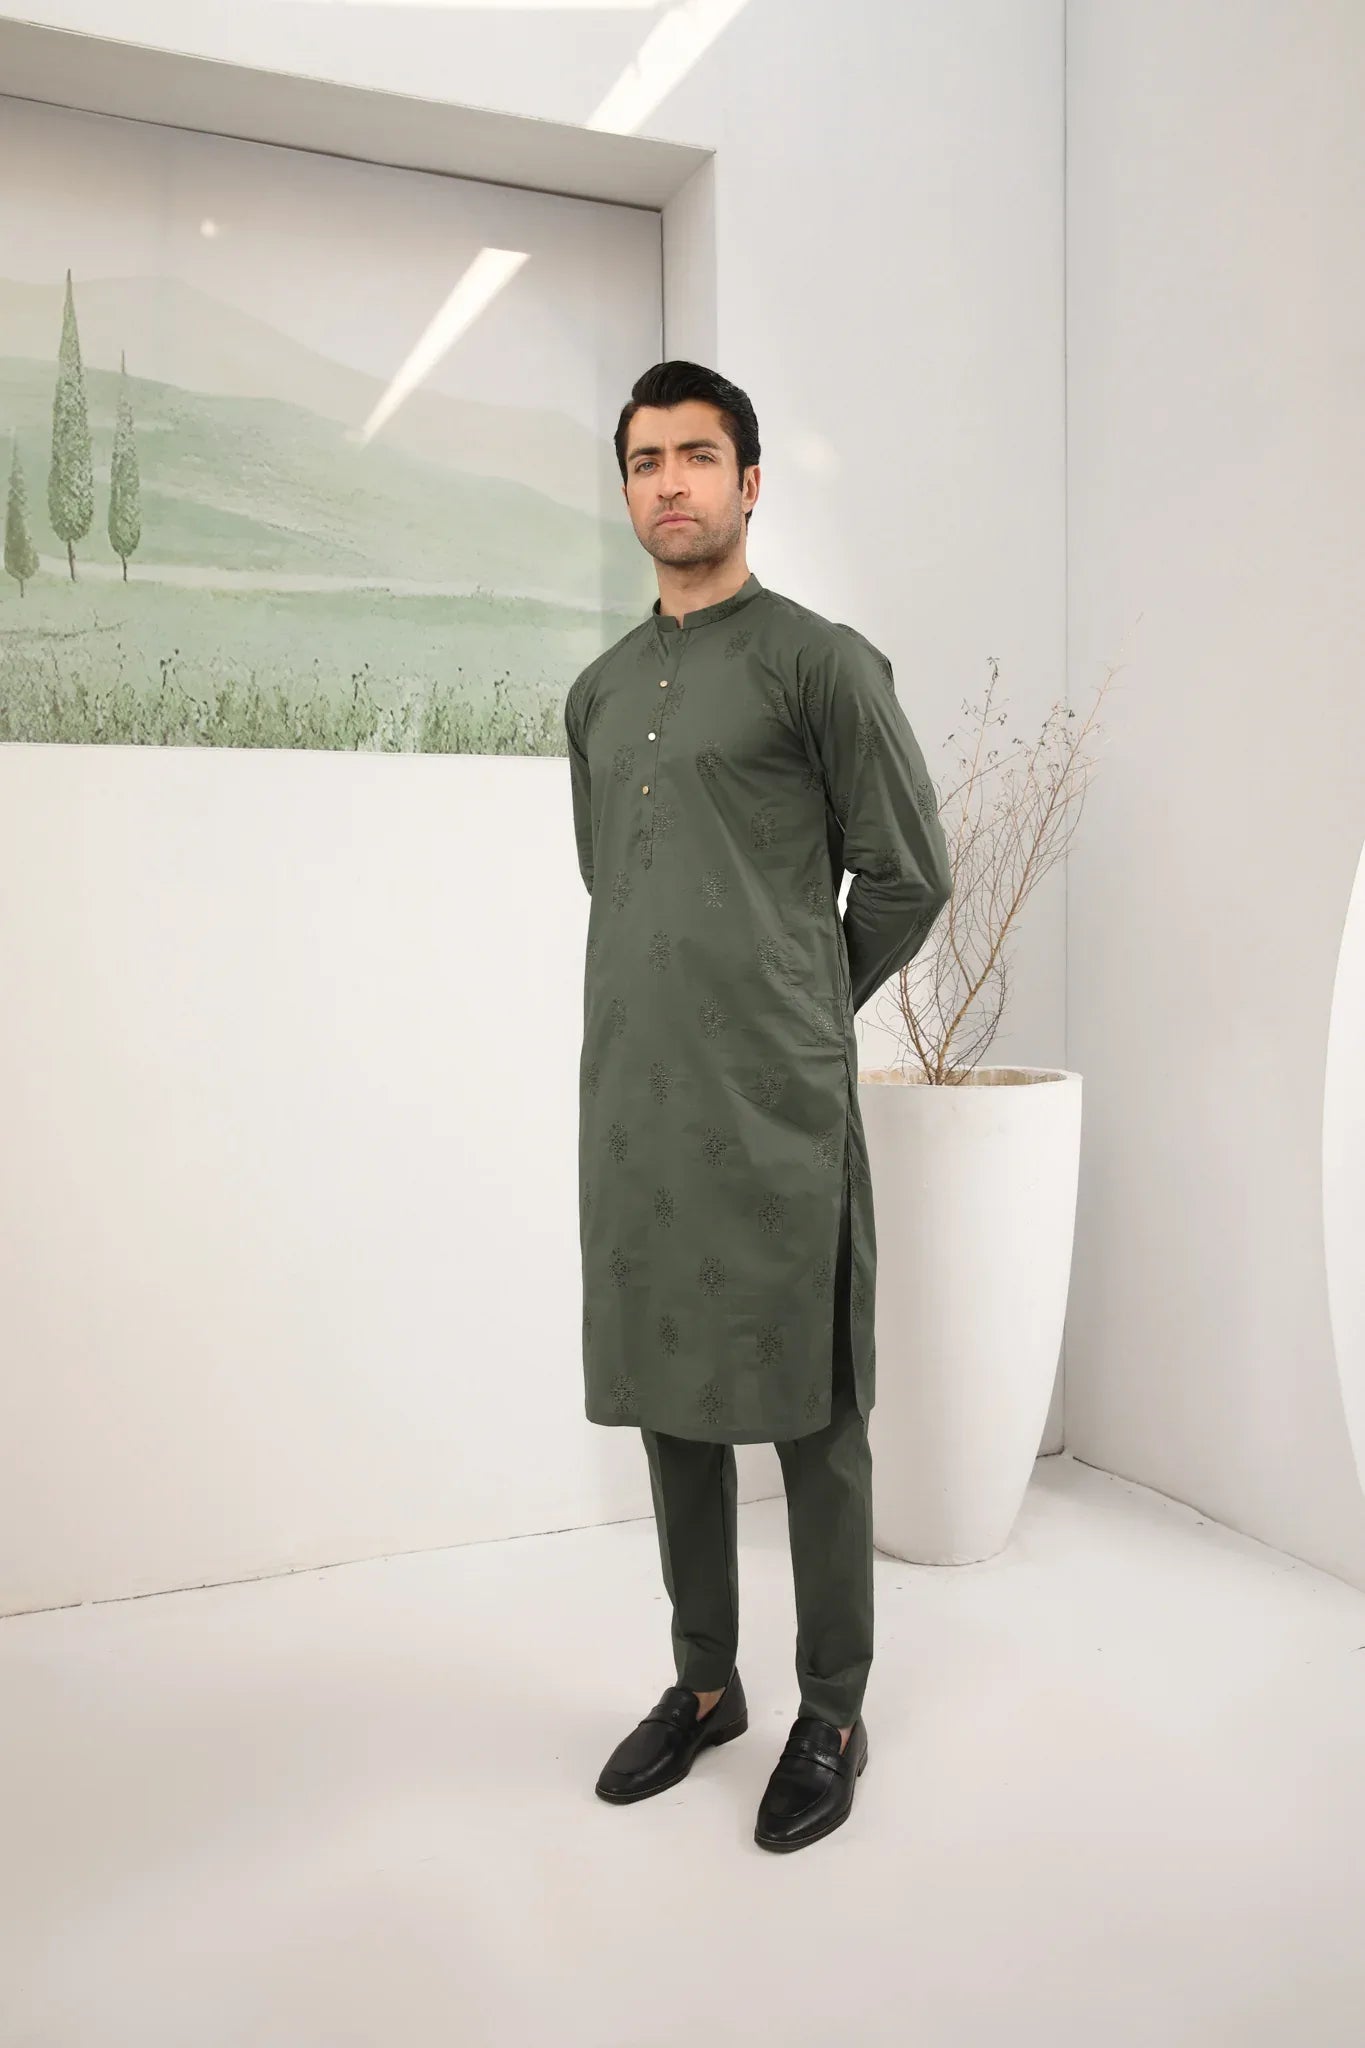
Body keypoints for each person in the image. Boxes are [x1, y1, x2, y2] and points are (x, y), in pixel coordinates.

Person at [563, 360, 952, 1852]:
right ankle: (703, 1687)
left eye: (698, 455)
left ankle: (831, 1707)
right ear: (627, 489)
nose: (670, 481)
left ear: (750, 482)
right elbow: (618, 883)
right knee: (672, 1403)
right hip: (636, 1101)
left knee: (811, 1413)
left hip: (777, 1103)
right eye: (646, 460)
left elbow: (907, 875)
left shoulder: (819, 664)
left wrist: (795, 1004)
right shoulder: (597, 695)